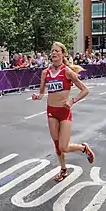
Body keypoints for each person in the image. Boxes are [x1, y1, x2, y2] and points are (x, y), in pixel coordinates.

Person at [32, 42, 95, 182]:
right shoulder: (45, 73)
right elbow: (42, 93)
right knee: (57, 146)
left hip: (64, 112)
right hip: (51, 112)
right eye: (52, 51)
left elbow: (85, 90)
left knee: (64, 147)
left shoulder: (67, 71)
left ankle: (83, 148)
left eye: (57, 51)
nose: (54, 53)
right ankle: (63, 170)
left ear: (63, 54)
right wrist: (38, 96)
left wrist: (72, 101)